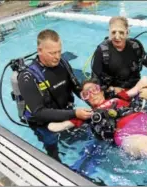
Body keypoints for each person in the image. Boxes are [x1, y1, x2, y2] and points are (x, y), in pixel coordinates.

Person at [48, 77, 147, 174]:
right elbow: (57, 127)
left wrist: (140, 85)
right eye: (86, 94)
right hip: (126, 135)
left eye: (94, 89)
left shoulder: (118, 97)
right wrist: (67, 117)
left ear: (101, 90)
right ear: (85, 99)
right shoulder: (88, 113)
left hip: (144, 121)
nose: (92, 94)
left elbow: (140, 85)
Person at [18, 29, 92, 161]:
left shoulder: (62, 62)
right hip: (43, 123)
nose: (57, 56)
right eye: (52, 53)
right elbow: (38, 112)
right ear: (39, 50)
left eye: (59, 51)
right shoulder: (27, 77)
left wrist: (94, 100)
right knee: (53, 152)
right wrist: (75, 113)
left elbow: (75, 87)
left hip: (67, 112)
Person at [91, 16, 147, 94]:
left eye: (121, 32)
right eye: (113, 32)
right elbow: (95, 80)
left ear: (127, 33)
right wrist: (108, 90)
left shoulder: (135, 47)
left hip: (135, 88)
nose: (117, 36)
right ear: (109, 32)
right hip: (113, 92)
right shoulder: (102, 51)